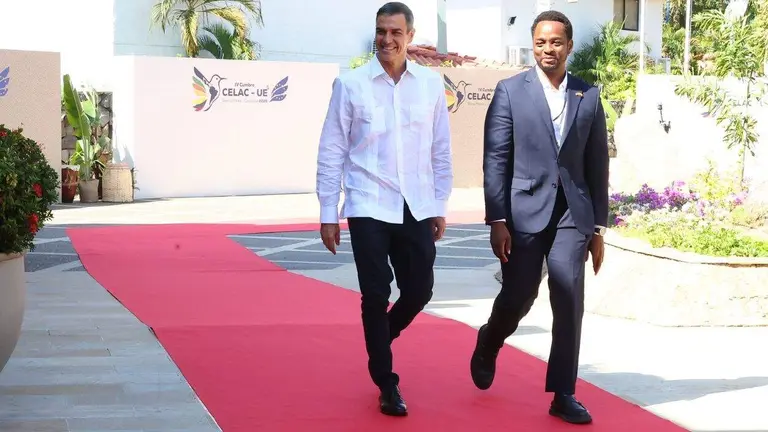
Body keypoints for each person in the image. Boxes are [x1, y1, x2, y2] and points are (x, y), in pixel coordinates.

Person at [315, 1, 453, 417]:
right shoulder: (351, 85)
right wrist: (328, 212)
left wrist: (439, 204)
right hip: (367, 204)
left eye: (395, 32)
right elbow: (332, 150)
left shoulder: (430, 85)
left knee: (420, 290)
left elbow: (440, 149)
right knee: (375, 294)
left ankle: (381, 337)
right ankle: (386, 382)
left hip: (416, 204)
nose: (386, 39)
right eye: (381, 31)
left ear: (410, 36)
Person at [471, 10, 609, 425]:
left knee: (568, 298)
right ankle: (490, 339)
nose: (548, 49)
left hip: (573, 215)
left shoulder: (588, 95)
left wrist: (598, 227)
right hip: (523, 214)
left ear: (569, 46)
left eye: (556, 42)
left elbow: (597, 164)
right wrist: (497, 219)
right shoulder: (510, 91)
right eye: (540, 42)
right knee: (520, 296)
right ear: (533, 46)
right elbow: (496, 159)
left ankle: (563, 393)